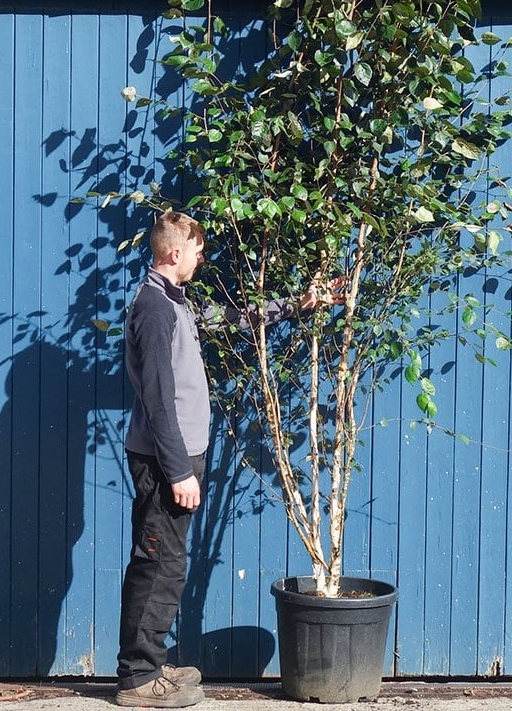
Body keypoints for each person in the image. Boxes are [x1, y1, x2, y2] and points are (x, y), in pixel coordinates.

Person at [115, 211, 340, 708]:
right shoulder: (154, 307)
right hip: (163, 462)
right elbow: (156, 397)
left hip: (174, 457)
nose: (201, 258)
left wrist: (299, 303)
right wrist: (177, 471)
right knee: (159, 566)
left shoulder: (175, 301)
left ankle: (149, 665)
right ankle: (137, 679)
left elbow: (230, 317)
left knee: (165, 564)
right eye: (196, 250)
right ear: (175, 253)